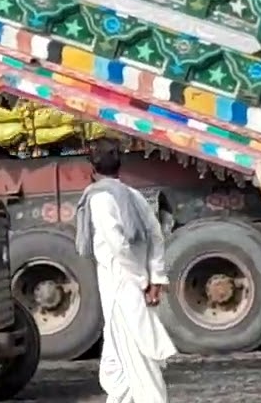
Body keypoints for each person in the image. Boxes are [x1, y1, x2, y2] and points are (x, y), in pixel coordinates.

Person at [75, 138, 177, 403]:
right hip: (134, 283)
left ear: (92, 169)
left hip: (122, 285)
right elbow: (156, 234)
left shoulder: (99, 199)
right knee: (117, 360)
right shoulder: (133, 195)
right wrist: (154, 276)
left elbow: (117, 245)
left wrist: (142, 280)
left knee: (136, 358)